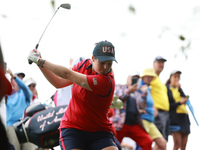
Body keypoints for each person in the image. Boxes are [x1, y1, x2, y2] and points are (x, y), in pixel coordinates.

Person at [28, 40, 119, 150]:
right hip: (73, 130)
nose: (106, 67)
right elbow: (58, 82)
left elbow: (67, 74)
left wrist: (40, 60)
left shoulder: (105, 81)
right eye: (102, 63)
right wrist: (39, 64)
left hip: (99, 133)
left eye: (109, 63)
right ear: (93, 58)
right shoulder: (83, 65)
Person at [113, 73, 153, 150]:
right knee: (114, 145)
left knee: (148, 141)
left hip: (134, 124)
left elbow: (142, 106)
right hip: (120, 124)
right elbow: (116, 100)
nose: (134, 81)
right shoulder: (119, 87)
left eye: (137, 79)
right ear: (127, 79)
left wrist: (144, 93)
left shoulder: (137, 93)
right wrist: (129, 90)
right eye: (133, 78)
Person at [135, 68, 167, 150]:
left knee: (163, 143)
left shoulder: (148, 88)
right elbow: (133, 98)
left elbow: (151, 103)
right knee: (145, 144)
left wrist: (154, 110)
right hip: (142, 120)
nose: (150, 79)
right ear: (143, 77)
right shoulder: (138, 85)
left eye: (152, 77)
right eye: (149, 77)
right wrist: (139, 110)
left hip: (150, 121)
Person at [6, 69, 35, 150]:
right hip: (10, 126)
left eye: (21, 79)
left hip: (24, 126)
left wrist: (14, 76)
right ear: (11, 81)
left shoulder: (26, 94)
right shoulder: (7, 97)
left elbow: (25, 87)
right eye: (18, 78)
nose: (20, 80)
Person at [165, 70, 190, 150]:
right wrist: (179, 103)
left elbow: (186, 99)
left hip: (184, 118)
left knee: (184, 145)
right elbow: (167, 106)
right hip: (175, 119)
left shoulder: (179, 89)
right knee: (177, 143)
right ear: (170, 78)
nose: (176, 79)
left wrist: (180, 89)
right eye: (175, 76)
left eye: (178, 77)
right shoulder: (167, 89)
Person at [150, 56, 170, 148]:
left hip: (165, 114)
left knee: (164, 141)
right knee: (160, 141)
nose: (161, 64)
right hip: (157, 113)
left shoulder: (160, 81)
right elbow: (145, 90)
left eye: (163, 63)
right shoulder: (151, 76)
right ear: (154, 64)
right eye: (159, 62)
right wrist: (153, 106)